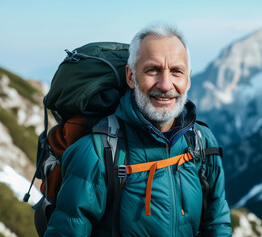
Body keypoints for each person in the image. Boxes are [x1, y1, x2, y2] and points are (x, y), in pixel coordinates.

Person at [44, 23, 232, 236]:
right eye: (153, 70)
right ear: (131, 76)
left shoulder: (202, 140)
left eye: (176, 72)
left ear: (188, 80)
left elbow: (216, 224)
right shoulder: (96, 152)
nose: (165, 84)